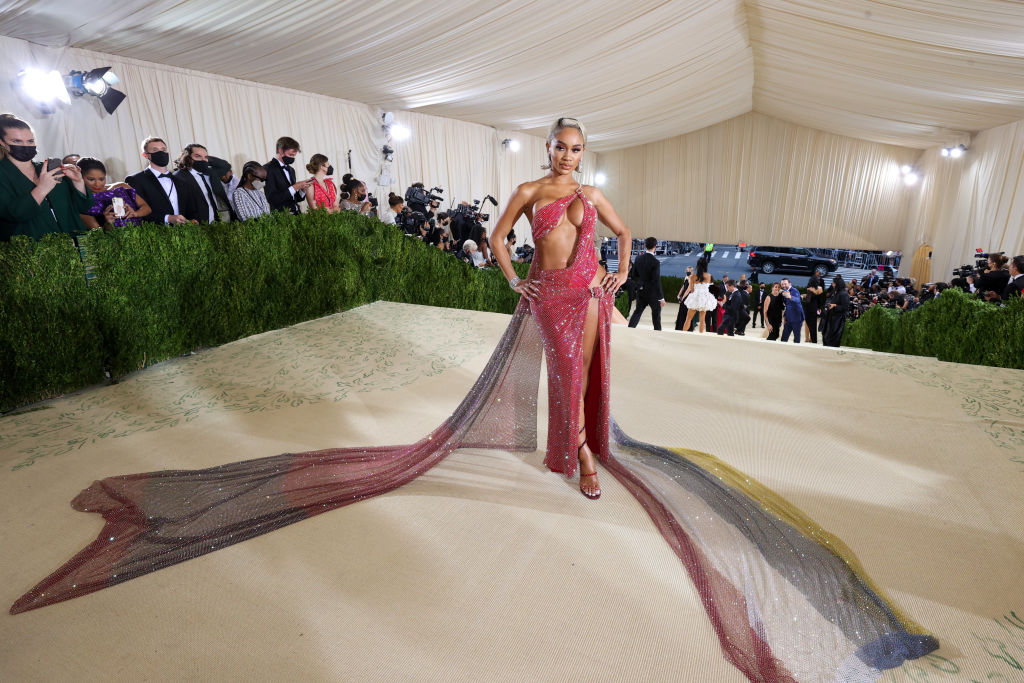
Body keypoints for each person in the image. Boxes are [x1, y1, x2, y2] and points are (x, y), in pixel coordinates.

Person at [12, 116, 941, 681]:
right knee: (543, 380)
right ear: (547, 149)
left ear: (588, 152)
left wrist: (613, 277)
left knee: (578, 384)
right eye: (562, 147)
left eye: (578, 149)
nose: (569, 159)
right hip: (544, 297)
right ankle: (564, 449)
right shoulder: (532, 187)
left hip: (586, 302)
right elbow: (502, 238)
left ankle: (578, 453)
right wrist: (510, 277)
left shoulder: (597, 191)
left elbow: (622, 239)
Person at [0, 114, 92, 241]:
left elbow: (84, 207)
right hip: (34, 252)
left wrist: (78, 182)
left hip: (76, 246)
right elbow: (13, 214)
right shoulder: (3, 173)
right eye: (17, 141)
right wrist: (42, 188)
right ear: (2, 143)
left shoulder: (49, 168)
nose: (26, 146)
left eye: (30, 141)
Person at [125, 136, 190, 225]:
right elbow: (135, 212)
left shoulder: (180, 180)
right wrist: (167, 218)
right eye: (155, 150)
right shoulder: (136, 180)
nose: (161, 152)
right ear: (145, 155)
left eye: (163, 149)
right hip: (155, 234)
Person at [77, 157, 151, 229]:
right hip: (115, 239)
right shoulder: (83, 202)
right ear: (81, 178)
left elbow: (147, 208)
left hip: (143, 234)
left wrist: (135, 213)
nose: (97, 184)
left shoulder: (121, 186)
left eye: (101, 179)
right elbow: (98, 235)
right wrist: (108, 223)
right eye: (91, 179)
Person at [172, 143, 220, 223]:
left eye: (205, 157)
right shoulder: (179, 177)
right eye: (198, 156)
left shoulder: (209, 174)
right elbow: (179, 207)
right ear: (188, 158)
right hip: (195, 227)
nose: (203, 160)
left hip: (214, 224)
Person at [263, 136, 310, 214]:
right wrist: (295, 187)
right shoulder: (267, 169)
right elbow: (272, 199)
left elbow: (295, 198)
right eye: (291, 155)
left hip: (297, 214)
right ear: (281, 151)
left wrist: (302, 189)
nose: (292, 158)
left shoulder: (291, 170)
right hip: (281, 217)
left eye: (294, 156)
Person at [628, 236, 665, 330]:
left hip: (641, 291)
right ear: (656, 246)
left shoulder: (638, 258)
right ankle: (657, 334)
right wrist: (661, 297)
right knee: (656, 316)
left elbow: (633, 275)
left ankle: (630, 329)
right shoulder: (655, 262)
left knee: (637, 312)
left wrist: (639, 285)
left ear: (645, 246)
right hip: (653, 294)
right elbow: (656, 280)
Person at [680, 256, 715, 333]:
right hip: (704, 298)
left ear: (697, 265)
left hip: (695, 297)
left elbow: (691, 289)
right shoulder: (709, 276)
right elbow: (709, 287)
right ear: (706, 265)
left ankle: (682, 334)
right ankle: (700, 335)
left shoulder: (693, 276)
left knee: (688, 318)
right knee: (702, 320)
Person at [207, 156, 239, 222]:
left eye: (224, 174)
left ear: (230, 172)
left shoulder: (238, 183)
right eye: (220, 175)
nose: (223, 177)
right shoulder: (214, 181)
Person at [822, 274, 850, 347]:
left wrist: (835, 306)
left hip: (838, 319)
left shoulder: (843, 294)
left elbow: (845, 307)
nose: (832, 284)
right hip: (831, 316)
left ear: (837, 284)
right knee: (826, 335)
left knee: (833, 337)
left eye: (833, 283)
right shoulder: (836, 292)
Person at [779, 277, 805, 343]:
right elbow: (787, 305)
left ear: (790, 283)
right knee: (784, 337)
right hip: (788, 318)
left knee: (796, 337)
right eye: (782, 284)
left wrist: (790, 296)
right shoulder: (784, 292)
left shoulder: (794, 290)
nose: (784, 285)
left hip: (797, 318)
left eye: (785, 284)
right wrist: (785, 316)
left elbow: (798, 300)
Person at [804, 272, 825, 343]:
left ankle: (807, 338)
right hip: (815, 307)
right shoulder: (820, 288)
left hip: (808, 307)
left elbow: (808, 300)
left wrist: (803, 297)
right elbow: (821, 300)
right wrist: (819, 309)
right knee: (813, 323)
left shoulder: (809, 288)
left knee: (807, 322)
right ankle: (813, 339)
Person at [673, 265, 694, 331]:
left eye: (689, 271)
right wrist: (678, 295)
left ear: (692, 271)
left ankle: (687, 328)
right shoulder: (686, 277)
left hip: (688, 297)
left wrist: (682, 297)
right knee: (681, 312)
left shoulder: (692, 279)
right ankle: (680, 327)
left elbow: (689, 289)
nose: (688, 272)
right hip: (684, 296)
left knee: (686, 312)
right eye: (687, 271)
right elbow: (683, 287)